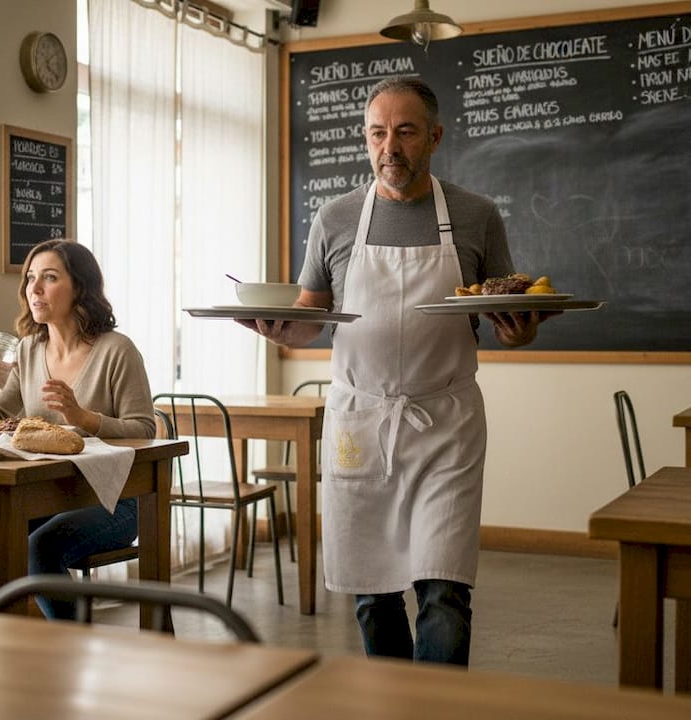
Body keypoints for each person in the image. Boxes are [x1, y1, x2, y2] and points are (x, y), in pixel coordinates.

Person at [238, 76, 555, 666]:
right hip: (361, 420)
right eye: (377, 133)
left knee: (445, 590)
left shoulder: (476, 215)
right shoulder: (334, 219)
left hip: (446, 423)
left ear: (434, 137)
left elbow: (504, 309)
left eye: (405, 132)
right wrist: (277, 329)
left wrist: (522, 329)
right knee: (373, 595)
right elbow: (312, 318)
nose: (390, 148)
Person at [0, 238, 155, 620]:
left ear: (80, 287)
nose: (34, 289)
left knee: (39, 550)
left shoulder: (118, 350)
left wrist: (82, 417)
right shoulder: (28, 350)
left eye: (49, 278)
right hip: (47, 497)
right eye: (31, 278)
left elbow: (145, 429)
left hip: (114, 498)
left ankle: (70, 650)